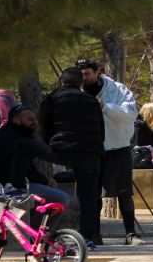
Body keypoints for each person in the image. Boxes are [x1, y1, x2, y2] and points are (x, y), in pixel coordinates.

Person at [79, 59, 144, 245]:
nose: (85, 78)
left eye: (87, 74)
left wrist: (105, 107)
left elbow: (131, 114)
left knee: (124, 193)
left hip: (118, 148)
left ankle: (130, 234)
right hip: (91, 150)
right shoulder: (76, 90)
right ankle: (94, 235)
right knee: (93, 195)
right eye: (81, 75)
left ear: (97, 72)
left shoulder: (118, 89)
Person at [38, 67, 105, 246]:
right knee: (89, 196)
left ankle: (44, 232)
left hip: (61, 149)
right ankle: (88, 237)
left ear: (61, 80)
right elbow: (101, 132)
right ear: (80, 82)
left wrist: (50, 145)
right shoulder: (92, 101)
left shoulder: (51, 99)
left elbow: (45, 128)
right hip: (90, 151)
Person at [0, 104, 69, 208]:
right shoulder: (12, 139)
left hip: (9, 184)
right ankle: (38, 225)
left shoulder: (11, 135)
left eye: (35, 119)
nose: (34, 122)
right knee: (61, 198)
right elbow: (20, 168)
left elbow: (26, 166)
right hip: (7, 187)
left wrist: (43, 180)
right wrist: (44, 181)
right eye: (30, 119)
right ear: (16, 120)